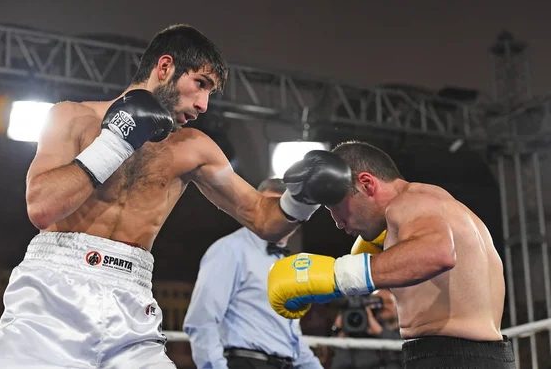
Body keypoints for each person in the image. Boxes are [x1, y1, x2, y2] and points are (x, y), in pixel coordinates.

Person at [0, 25, 352, 369]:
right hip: (52, 294)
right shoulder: (71, 117)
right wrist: (116, 141)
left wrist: (303, 199)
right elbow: (42, 208)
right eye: (200, 83)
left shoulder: (194, 148)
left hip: (130, 300)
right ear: (165, 67)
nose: (204, 104)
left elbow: (261, 216)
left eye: (210, 92)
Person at [267, 141, 516, 368]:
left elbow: (438, 253)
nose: (337, 222)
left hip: (450, 357)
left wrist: (339, 275)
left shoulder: (408, 203)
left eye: (337, 206)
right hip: (478, 356)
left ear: (366, 184)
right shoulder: (438, 206)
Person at [183, 178, 323, 369]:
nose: (277, 217)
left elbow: (290, 336)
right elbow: (202, 320)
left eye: (284, 211)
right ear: (256, 208)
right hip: (245, 362)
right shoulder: (231, 249)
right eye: (270, 208)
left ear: (296, 219)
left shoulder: (288, 264)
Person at [330, 289, 402, 369]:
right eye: (376, 303)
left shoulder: (407, 335)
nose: (383, 306)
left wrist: (379, 331)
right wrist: (340, 332)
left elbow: (405, 354)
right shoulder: (359, 341)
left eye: (389, 302)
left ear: (398, 306)